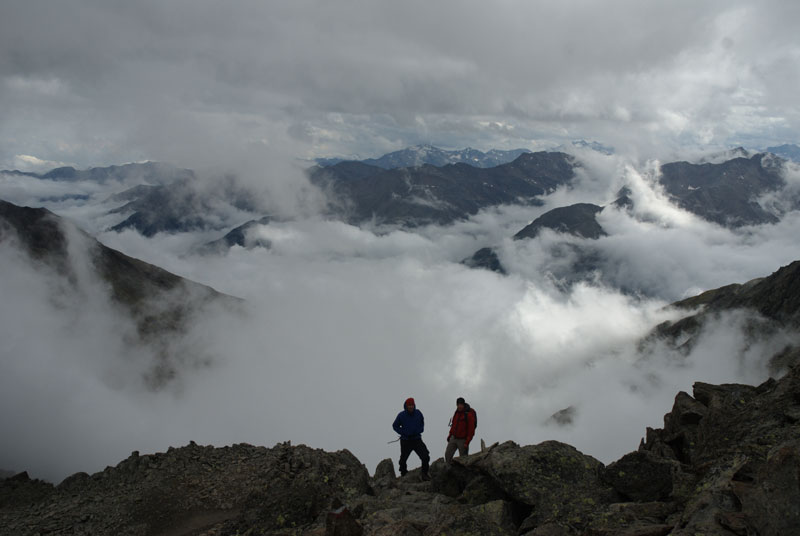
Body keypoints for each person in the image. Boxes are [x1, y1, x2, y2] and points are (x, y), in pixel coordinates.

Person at [392, 397, 430, 480]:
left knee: (425, 456)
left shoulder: (418, 413)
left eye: (412, 405)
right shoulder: (401, 415)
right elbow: (395, 426)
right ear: (406, 406)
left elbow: (422, 422)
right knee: (403, 460)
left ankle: (424, 474)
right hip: (406, 440)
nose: (411, 407)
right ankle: (403, 473)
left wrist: (420, 429)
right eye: (409, 405)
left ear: (414, 405)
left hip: (417, 439)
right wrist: (403, 432)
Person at [445, 397, 476, 464]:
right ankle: (448, 468)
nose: (459, 406)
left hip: (463, 440)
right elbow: (453, 425)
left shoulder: (468, 415)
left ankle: (463, 470)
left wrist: (467, 442)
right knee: (447, 455)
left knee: (463, 459)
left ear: (463, 405)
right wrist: (450, 435)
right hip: (454, 437)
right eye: (458, 404)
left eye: (461, 404)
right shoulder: (456, 413)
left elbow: (471, 430)